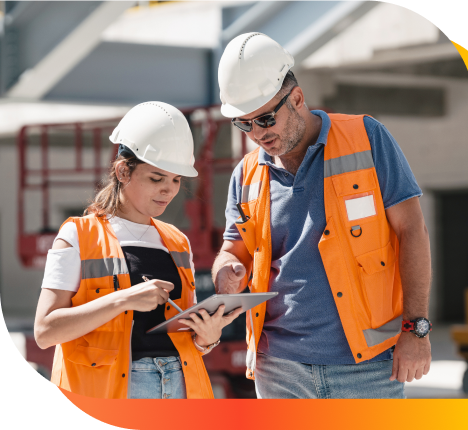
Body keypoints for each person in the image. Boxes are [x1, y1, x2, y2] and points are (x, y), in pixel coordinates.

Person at [212, 33, 432, 399]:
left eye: (266, 119)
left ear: (296, 99)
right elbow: (232, 251)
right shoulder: (246, 174)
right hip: (278, 369)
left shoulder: (367, 138)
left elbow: (412, 231)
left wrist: (416, 329)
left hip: (369, 368)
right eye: (244, 124)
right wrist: (226, 274)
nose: (258, 134)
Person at [34, 102, 243, 399]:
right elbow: (45, 332)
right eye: (157, 178)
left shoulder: (178, 242)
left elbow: (188, 338)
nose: (169, 190)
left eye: (175, 180)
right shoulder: (78, 235)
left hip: (181, 388)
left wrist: (207, 338)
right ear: (123, 171)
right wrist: (123, 299)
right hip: (114, 393)